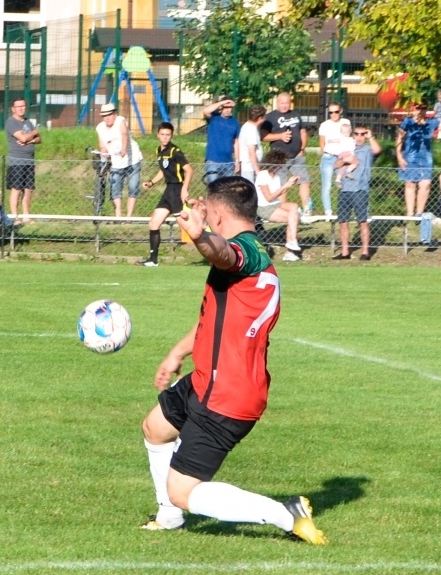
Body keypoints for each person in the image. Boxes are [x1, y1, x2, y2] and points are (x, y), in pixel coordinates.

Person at [137, 175, 327, 545]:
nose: (203, 217)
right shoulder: (253, 258)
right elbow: (218, 317)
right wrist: (178, 352)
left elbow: (224, 253)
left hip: (227, 394)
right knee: (156, 428)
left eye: (208, 212)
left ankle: (284, 514)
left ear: (220, 215)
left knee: (183, 489)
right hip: (209, 379)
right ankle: (170, 518)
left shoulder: (247, 252)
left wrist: (200, 238)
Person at [140, 122, 193, 267]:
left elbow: (189, 170)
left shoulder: (175, 151)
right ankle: (153, 260)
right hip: (168, 191)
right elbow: (163, 171)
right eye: (162, 134)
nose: (165, 137)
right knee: (154, 223)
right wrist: (151, 182)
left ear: (172, 135)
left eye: (168, 135)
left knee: (187, 226)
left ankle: (213, 246)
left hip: (176, 190)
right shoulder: (160, 151)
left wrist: (184, 189)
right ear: (158, 134)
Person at [332, 125, 380, 260]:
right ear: (353, 135)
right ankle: (345, 252)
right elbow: (335, 165)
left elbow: (377, 150)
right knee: (343, 221)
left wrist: (370, 136)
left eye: (362, 134)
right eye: (357, 134)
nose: (359, 137)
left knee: (362, 221)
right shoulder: (346, 148)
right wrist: (344, 160)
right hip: (344, 190)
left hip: (360, 189)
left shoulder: (367, 150)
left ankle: (365, 252)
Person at [260, 91, 311, 216]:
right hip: (279, 157)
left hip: (297, 156)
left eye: (287, 103)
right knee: (282, 183)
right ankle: (283, 209)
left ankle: (308, 209)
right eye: (282, 103)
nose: (284, 105)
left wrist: (302, 149)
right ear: (277, 103)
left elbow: (303, 132)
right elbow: (263, 136)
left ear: (290, 103)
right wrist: (280, 136)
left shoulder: (296, 115)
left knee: (304, 180)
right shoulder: (270, 117)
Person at [397, 102, 437, 248]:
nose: (420, 110)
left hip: (425, 158)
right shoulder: (407, 122)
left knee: (425, 184)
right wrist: (399, 156)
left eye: (423, 108)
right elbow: (400, 139)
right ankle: (410, 212)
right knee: (410, 184)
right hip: (410, 157)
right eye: (417, 108)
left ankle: (419, 213)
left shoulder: (431, 123)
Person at [254, 148, 304, 260]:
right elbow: (269, 197)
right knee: (292, 218)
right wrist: (285, 186)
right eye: (280, 164)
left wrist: (289, 183)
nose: (282, 167)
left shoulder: (276, 176)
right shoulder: (263, 175)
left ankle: (292, 242)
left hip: (275, 204)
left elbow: (278, 194)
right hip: (264, 207)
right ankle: (290, 247)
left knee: (294, 207)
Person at [95, 101, 142, 216]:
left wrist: (124, 148)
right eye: (104, 116)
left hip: (132, 159)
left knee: (133, 186)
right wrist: (103, 160)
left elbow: (124, 134)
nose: (107, 118)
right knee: (115, 188)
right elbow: (103, 146)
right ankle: (118, 216)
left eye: (109, 115)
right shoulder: (100, 128)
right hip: (116, 162)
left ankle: (129, 216)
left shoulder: (120, 120)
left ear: (114, 114)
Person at [4, 97, 41, 223]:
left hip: (29, 161)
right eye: (18, 106)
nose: (21, 108)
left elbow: (38, 139)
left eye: (23, 106)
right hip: (16, 161)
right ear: (13, 109)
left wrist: (31, 138)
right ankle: (15, 217)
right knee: (17, 188)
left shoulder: (28, 122)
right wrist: (34, 132)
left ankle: (26, 215)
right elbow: (22, 138)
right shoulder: (11, 122)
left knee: (29, 189)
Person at [317, 102, 353, 219]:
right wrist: (326, 152)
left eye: (336, 112)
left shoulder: (346, 122)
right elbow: (322, 143)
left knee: (343, 183)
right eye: (331, 112)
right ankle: (328, 211)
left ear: (340, 111)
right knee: (327, 185)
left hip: (341, 157)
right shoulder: (324, 125)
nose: (333, 114)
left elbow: (348, 138)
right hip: (329, 156)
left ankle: (344, 210)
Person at [202, 98, 240, 184]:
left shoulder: (234, 122)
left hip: (228, 162)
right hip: (213, 160)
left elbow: (236, 142)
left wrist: (237, 160)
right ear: (221, 107)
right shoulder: (214, 118)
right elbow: (205, 111)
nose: (227, 110)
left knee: (226, 189)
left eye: (229, 107)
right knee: (213, 186)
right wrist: (222, 102)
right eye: (225, 107)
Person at [238, 105, 266, 183]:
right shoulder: (251, 130)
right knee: (250, 189)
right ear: (260, 118)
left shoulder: (248, 126)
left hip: (250, 166)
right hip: (249, 167)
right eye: (264, 117)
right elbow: (251, 152)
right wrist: (257, 170)